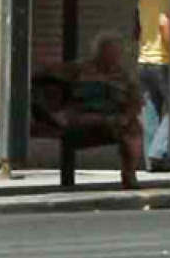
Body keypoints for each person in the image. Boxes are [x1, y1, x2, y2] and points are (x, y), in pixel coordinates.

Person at [36, 32, 144, 189]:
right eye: (108, 52)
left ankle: (129, 173)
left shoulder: (123, 75)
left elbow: (136, 100)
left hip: (113, 117)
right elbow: (44, 76)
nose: (112, 57)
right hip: (82, 114)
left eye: (116, 53)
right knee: (83, 118)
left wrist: (127, 116)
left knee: (133, 129)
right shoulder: (79, 69)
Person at [136, 0, 170, 171]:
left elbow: (137, 27)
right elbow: (164, 24)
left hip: (144, 61)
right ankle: (157, 152)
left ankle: (152, 163)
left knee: (151, 111)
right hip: (163, 61)